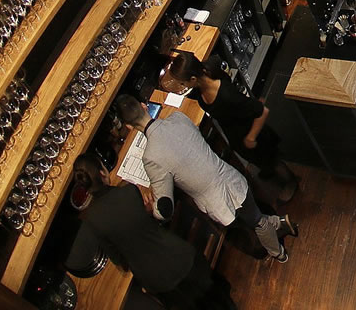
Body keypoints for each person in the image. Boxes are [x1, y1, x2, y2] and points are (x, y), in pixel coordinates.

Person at [115, 97, 295, 263]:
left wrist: (151, 208)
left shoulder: (151, 158)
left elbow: (165, 210)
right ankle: (278, 223)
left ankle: (278, 253)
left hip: (218, 204)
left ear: (129, 127)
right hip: (232, 179)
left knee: (256, 222)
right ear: (144, 106)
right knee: (252, 215)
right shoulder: (178, 117)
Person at [66, 155, 232, 309]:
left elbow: (120, 261)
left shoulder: (92, 220)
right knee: (218, 297)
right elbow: (146, 223)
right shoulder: (128, 191)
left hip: (156, 281)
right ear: (102, 173)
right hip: (179, 256)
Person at [164, 52, 297, 202]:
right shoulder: (206, 70)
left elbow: (261, 111)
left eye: (183, 83)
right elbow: (215, 59)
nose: (183, 87)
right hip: (236, 134)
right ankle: (268, 170)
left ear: (193, 79)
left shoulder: (227, 97)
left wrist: (251, 137)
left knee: (271, 160)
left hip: (250, 133)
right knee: (261, 161)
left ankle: (290, 182)